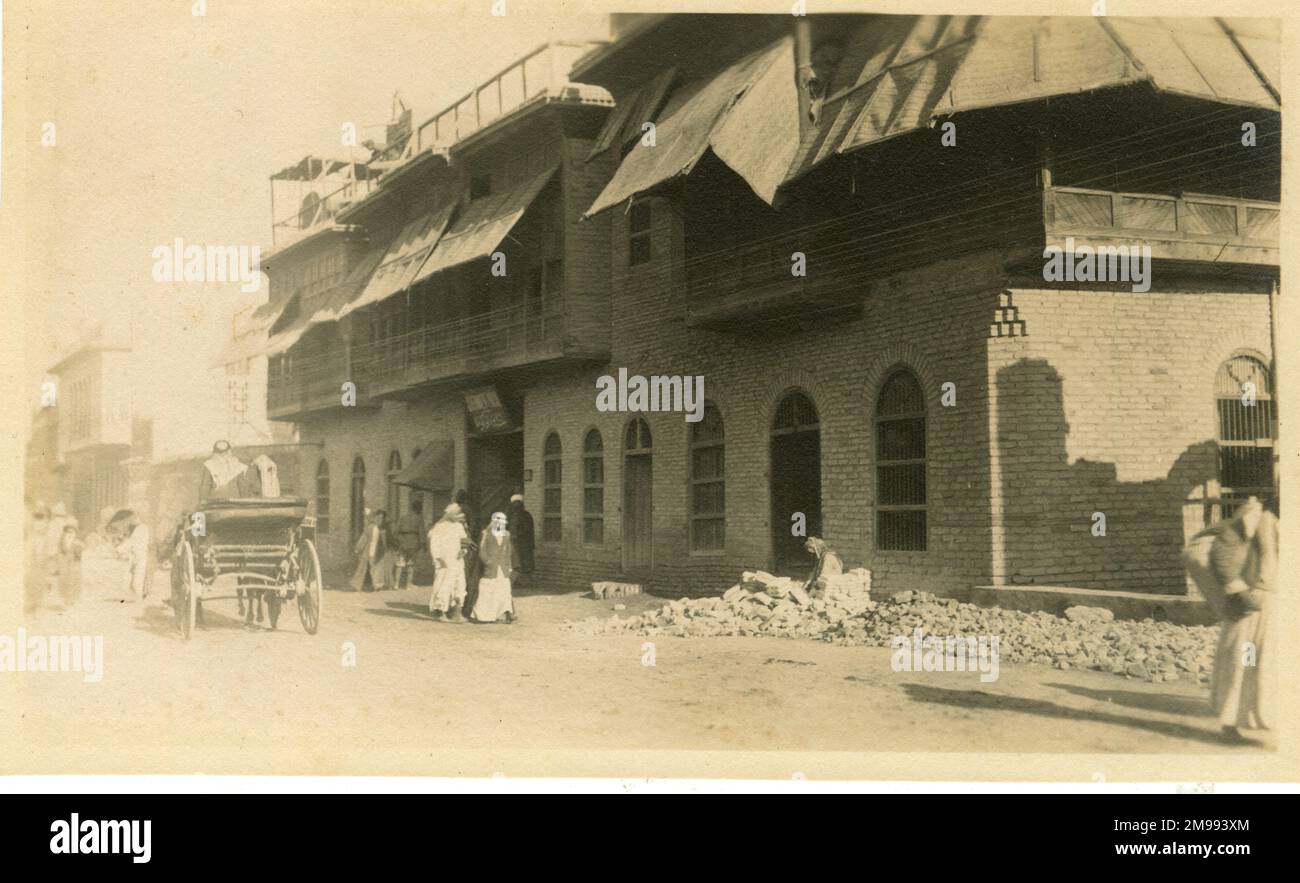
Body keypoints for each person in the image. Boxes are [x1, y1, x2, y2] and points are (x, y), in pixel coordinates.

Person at [473, 511, 518, 623]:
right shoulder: (486, 534)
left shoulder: (506, 534)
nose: (501, 524)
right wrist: (487, 561)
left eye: (503, 522)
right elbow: (482, 550)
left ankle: (503, 613)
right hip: (491, 568)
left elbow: (508, 551)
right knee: (488, 590)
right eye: (498, 522)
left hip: (502, 568)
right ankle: (484, 615)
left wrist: (509, 565)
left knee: (504, 590)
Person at [428, 502, 469, 622]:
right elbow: (434, 544)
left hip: (457, 560)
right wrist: (438, 558)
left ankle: (457, 613)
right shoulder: (439, 526)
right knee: (443, 585)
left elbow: (464, 541)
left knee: (459, 585)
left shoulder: (459, 526)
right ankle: (441, 612)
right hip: (444, 560)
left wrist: (463, 550)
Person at [111, 509, 153, 602]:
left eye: (135, 519)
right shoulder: (139, 529)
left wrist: (119, 550)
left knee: (138, 577)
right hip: (136, 555)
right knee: (133, 576)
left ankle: (138, 596)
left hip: (140, 555)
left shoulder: (141, 529)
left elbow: (132, 542)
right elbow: (131, 542)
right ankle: (135, 595)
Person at [350, 508, 388, 592]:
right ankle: (356, 585)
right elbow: (363, 538)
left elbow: (385, 541)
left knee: (377, 568)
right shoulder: (370, 527)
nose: (380, 520)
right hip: (368, 550)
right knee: (362, 567)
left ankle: (377, 585)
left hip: (377, 551)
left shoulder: (383, 529)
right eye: (378, 517)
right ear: (375, 517)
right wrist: (358, 548)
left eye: (382, 518)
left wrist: (385, 548)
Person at [394, 496, 425, 590]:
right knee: (411, 564)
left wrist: (398, 541)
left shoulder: (403, 517)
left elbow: (396, 531)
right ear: (419, 509)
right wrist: (424, 545)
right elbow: (421, 532)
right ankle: (408, 584)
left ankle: (396, 584)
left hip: (402, 542)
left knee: (400, 563)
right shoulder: (419, 518)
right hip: (413, 542)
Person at [506, 493, 534, 588]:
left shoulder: (512, 516)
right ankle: (522, 582)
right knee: (522, 562)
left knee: (519, 562)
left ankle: (522, 582)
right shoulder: (526, 515)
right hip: (522, 544)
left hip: (518, 543)